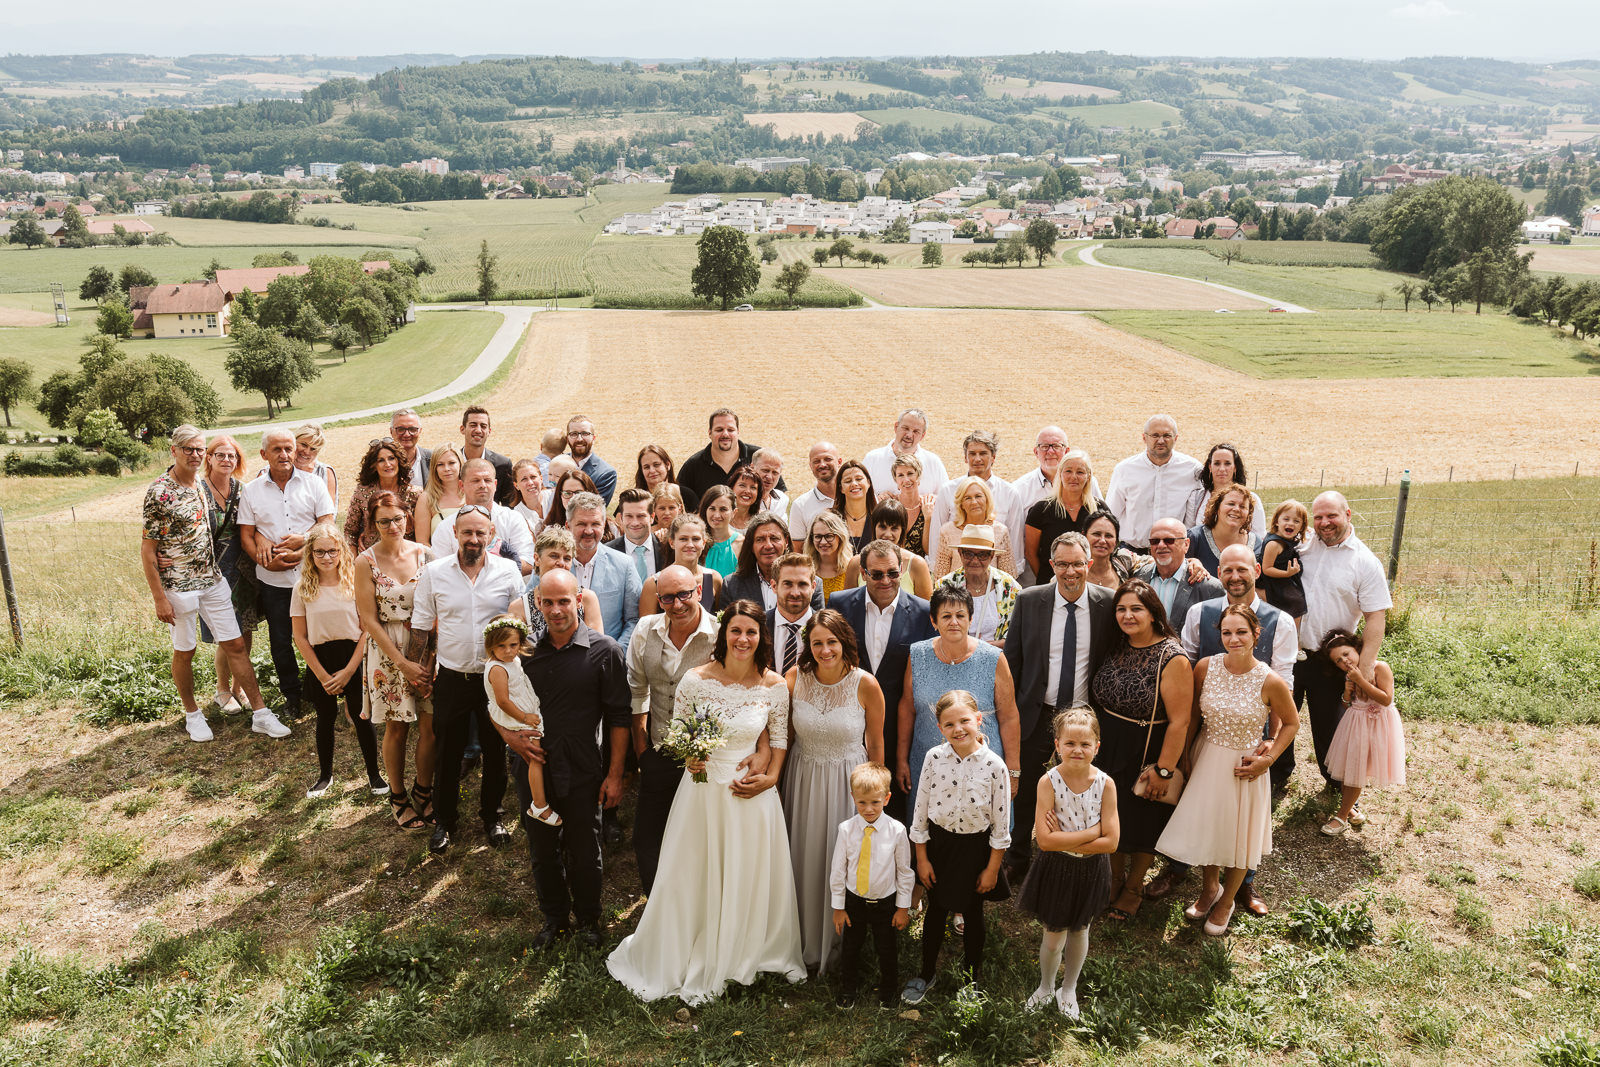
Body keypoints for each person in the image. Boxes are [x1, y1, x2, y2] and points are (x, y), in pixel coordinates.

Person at [608, 600, 805, 1001]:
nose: (743, 639)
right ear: (723, 634)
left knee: (747, 872)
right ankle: (689, 945)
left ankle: (748, 949)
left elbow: (780, 738)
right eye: (736, 630)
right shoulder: (696, 680)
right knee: (695, 872)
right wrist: (690, 755)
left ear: (760, 637)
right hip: (702, 792)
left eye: (751, 631)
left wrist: (770, 778)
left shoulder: (774, 685)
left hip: (752, 796)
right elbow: (679, 731)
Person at [1155, 605, 1298, 936]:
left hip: (1244, 765)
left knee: (1238, 835)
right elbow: (1190, 715)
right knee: (1210, 826)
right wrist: (1185, 756)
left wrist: (1270, 756)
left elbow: (1291, 723)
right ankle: (1209, 888)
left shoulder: (1270, 680)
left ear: (1256, 634)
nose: (1234, 639)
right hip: (1206, 755)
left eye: (1241, 632)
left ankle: (1227, 900)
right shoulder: (1205, 667)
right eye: (1227, 632)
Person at [510, 569, 630, 949]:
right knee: (542, 850)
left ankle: (590, 920)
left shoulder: (605, 650)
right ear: (539, 605)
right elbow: (497, 710)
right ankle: (555, 919)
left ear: (578, 600)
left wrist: (614, 776)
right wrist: (512, 740)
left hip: (583, 768)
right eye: (549, 602)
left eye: (565, 601)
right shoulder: (524, 654)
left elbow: (619, 719)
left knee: (584, 851)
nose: (557, 609)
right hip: (535, 770)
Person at [142, 425, 285, 742]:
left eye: (197, 449)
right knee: (186, 650)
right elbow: (148, 549)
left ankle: (261, 714)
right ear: (174, 451)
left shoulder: (199, 486)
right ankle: (193, 715)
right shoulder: (160, 491)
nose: (194, 455)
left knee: (235, 644)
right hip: (178, 585)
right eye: (188, 449)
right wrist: (159, 598)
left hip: (213, 579)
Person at [408, 506, 526, 854]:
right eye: (466, 533)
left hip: (495, 679)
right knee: (448, 751)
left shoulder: (507, 572)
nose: (473, 539)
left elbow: (518, 623)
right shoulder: (434, 573)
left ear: (491, 534)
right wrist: (420, 669)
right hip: (452, 677)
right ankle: (445, 822)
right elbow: (421, 624)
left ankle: (493, 816)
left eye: (480, 533)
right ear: (455, 534)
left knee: (494, 749)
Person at [1001, 532, 1116, 881]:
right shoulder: (1030, 600)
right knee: (1024, 791)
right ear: (1051, 565)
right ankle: (1017, 857)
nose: (1070, 571)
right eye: (1062, 564)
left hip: (1084, 719)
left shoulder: (1108, 604)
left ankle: (1079, 854)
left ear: (1089, 564)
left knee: (1084, 787)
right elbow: (1013, 662)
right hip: (1038, 713)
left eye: (1077, 563)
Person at [783, 609, 886, 972]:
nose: (825, 650)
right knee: (804, 855)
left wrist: (876, 796)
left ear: (845, 643)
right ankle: (799, 939)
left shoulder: (865, 684)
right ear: (807, 646)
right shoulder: (794, 678)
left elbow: (876, 744)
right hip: (803, 777)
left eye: (832, 642)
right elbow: (786, 735)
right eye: (817, 643)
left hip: (848, 782)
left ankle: (844, 946)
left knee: (841, 859)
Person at [1090, 579, 1193, 921]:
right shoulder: (1116, 644)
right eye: (1121, 609)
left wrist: (1164, 769)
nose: (1127, 615)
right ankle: (1113, 878)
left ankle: (1134, 886)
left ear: (1153, 614)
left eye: (1136, 609)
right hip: (1108, 746)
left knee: (1143, 821)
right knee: (1110, 817)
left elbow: (1180, 721)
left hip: (1147, 749)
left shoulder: (1172, 656)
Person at [902, 691, 1012, 1004]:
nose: (958, 729)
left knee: (973, 913)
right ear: (940, 728)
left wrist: (992, 868)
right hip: (940, 845)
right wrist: (921, 859)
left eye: (964, 720)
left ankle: (971, 979)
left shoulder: (995, 766)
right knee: (935, 911)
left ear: (978, 720)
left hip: (975, 849)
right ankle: (926, 972)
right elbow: (920, 812)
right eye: (949, 724)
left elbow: (1001, 824)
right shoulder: (933, 758)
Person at [1285, 491, 1392, 792]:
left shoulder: (1364, 562)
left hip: (1327, 661)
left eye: (1331, 515)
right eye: (1318, 517)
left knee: (1329, 724)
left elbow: (1375, 617)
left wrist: (1366, 665)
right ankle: (1277, 776)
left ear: (1347, 514)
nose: (1324, 523)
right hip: (1289, 653)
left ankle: (1335, 781)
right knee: (1280, 718)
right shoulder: (1301, 546)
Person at [627, 563, 721, 894]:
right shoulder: (645, 630)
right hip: (658, 751)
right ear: (658, 599)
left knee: (697, 839)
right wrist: (643, 752)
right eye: (667, 598)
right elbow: (638, 693)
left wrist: (708, 749)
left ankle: (695, 904)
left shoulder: (720, 634)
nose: (677, 605)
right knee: (647, 838)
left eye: (684, 594)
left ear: (698, 591)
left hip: (707, 758)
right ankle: (657, 903)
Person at [1019, 708, 1118, 1018]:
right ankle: (1046, 986)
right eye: (1070, 743)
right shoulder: (1048, 782)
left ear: (1097, 746)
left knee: (1080, 931)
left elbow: (1112, 843)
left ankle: (1069, 987)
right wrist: (1092, 832)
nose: (1078, 750)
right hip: (1057, 868)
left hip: (1091, 870)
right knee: (1053, 937)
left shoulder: (1106, 784)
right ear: (1057, 743)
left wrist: (1068, 836)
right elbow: (1046, 842)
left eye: (1085, 744)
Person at [831, 541, 936, 822]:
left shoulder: (925, 612)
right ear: (863, 573)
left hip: (898, 725)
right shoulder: (839, 604)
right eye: (877, 574)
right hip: (848, 722)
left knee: (894, 804)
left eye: (892, 572)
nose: (886, 580)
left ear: (902, 570)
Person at [239, 428, 335, 724]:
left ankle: (318, 691)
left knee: (319, 636)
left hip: (311, 575)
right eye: (277, 449)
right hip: (273, 581)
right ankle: (291, 696)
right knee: (281, 640)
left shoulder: (314, 483)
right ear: (263, 454)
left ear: (295, 452)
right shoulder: (252, 490)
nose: (284, 455)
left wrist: (304, 542)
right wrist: (262, 559)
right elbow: (245, 533)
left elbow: (327, 522)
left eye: (288, 449)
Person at [896, 586, 1021, 812]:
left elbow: (1009, 716)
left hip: (982, 768)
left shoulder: (994, 659)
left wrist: (1013, 771)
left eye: (960, 615)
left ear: (970, 620)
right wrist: (901, 759)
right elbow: (907, 708)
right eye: (946, 616)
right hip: (928, 768)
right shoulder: (917, 655)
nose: (954, 622)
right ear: (934, 621)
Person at [355, 491, 436, 832]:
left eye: (398, 518)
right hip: (388, 652)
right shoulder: (365, 562)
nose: (393, 526)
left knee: (431, 725)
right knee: (397, 725)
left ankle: (424, 789)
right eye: (384, 520)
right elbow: (368, 619)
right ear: (374, 524)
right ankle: (398, 797)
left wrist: (429, 659)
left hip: (426, 647)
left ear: (408, 517)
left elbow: (439, 608)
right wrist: (402, 663)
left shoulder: (426, 555)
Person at [292, 523, 383, 798]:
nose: (327, 557)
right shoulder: (302, 588)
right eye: (320, 552)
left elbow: (367, 627)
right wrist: (321, 675)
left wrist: (350, 670)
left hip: (353, 657)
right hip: (321, 660)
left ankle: (375, 775)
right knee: (325, 718)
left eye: (332, 550)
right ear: (311, 554)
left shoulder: (353, 582)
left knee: (361, 717)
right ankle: (325, 776)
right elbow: (300, 636)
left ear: (341, 551)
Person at [829, 762, 914, 1009]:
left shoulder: (897, 831)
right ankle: (847, 988)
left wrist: (902, 907)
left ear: (886, 799)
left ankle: (889, 990)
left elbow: (904, 872)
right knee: (850, 948)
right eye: (862, 802)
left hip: (885, 903)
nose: (868, 809)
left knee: (886, 949)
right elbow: (838, 870)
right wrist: (838, 906)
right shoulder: (846, 830)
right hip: (854, 901)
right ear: (853, 797)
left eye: (875, 802)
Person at [1319, 629, 1405, 836]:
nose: (1344, 661)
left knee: (1357, 769)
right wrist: (1347, 694)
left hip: (1376, 724)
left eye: (1346, 654)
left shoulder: (1379, 667)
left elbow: (1385, 699)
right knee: (1350, 766)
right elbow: (1348, 704)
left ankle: (1341, 816)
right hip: (1355, 723)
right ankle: (1350, 810)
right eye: (1338, 660)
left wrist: (1361, 680)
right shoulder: (1350, 676)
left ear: (1357, 648)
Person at [195, 434, 258, 715]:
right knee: (225, 634)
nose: (226, 460)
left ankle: (239, 687)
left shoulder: (242, 490)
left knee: (244, 630)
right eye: (220, 454)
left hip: (242, 571)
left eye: (231, 456)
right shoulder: (197, 490)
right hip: (211, 572)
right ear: (209, 458)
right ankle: (222, 689)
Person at [482, 615, 561, 827]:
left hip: (523, 709)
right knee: (535, 758)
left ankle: (540, 796)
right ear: (490, 645)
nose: (508, 650)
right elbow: (503, 701)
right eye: (501, 645)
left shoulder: (511, 660)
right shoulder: (497, 668)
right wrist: (525, 717)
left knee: (534, 757)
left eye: (513, 645)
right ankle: (539, 804)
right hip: (514, 715)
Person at [1011, 427, 1102, 583]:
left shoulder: (1091, 487)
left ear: (1066, 450)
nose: (1050, 451)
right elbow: (1027, 547)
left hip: (1089, 579)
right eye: (1044, 446)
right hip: (1045, 579)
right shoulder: (1020, 489)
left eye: (1056, 446)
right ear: (1035, 451)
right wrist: (1049, 579)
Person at [1105, 415, 1201, 552]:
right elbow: (1111, 515)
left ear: (1176, 438)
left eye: (1167, 435)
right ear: (1144, 437)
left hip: (1174, 553)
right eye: (1155, 435)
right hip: (1133, 552)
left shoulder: (1192, 470)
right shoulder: (1124, 470)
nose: (1161, 440)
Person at [928, 431, 1022, 569]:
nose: (977, 459)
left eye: (983, 453)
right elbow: (937, 535)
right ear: (965, 458)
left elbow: (1015, 541)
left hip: (994, 578)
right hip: (954, 575)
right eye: (972, 454)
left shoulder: (1010, 493)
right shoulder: (948, 490)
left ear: (993, 457)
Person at [431, 459, 535, 575]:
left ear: (495, 485)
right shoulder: (446, 527)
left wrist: (488, 577)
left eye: (487, 480)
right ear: (461, 485)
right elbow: (438, 568)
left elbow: (529, 562)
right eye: (475, 480)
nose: (482, 485)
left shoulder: (513, 519)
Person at [934, 525, 1022, 647]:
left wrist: (990, 647)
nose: (975, 561)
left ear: (992, 556)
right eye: (969, 554)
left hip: (998, 658)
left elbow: (1019, 634)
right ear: (960, 553)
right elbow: (936, 629)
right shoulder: (945, 586)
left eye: (982, 555)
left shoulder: (1010, 586)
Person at [721, 511, 824, 612]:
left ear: (786, 542)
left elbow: (816, 625)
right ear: (751, 546)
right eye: (760, 539)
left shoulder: (810, 583)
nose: (768, 546)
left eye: (774, 538)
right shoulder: (732, 585)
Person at [677, 408, 786, 502]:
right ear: (709, 432)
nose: (725, 434)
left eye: (730, 430)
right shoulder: (693, 465)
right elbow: (678, 499)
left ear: (738, 431)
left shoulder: (759, 456)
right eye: (719, 430)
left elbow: (779, 495)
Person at [519, 527, 606, 645]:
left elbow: (597, 647)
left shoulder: (587, 598)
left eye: (567, 558)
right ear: (537, 559)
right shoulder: (519, 606)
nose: (561, 563)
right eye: (554, 556)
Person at [1134, 519, 1224, 627]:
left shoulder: (1210, 588)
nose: (1161, 545)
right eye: (1155, 541)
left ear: (1186, 544)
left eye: (1169, 540)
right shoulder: (1137, 578)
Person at [841, 500, 934, 599]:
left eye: (894, 528)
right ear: (874, 527)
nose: (888, 534)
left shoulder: (917, 564)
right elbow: (848, 606)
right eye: (882, 527)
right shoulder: (855, 564)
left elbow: (926, 609)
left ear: (902, 530)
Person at [934, 476, 1018, 579]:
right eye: (968, 498)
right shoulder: (947, 532)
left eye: (978, 496)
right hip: (956, 592)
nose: (974, 502)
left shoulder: (1000, 531)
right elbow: (940, 576)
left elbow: (1009, 576)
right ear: (961, 504)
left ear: (987, 500)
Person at [344, 438, 419, 552]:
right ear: (374, 465)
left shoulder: (415, 494)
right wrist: (355, 563)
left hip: (406, 557)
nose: (387, 464)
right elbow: (350, 533)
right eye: (381, 460)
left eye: (391, 458)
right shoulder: (362, 492)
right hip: (371, 559)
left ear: (399, 461)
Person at [640, 514, 721, 615]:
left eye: (696, 539)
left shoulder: (714, 579)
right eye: (683, 539)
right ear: (672, 542)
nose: (690, 545)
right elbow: (645, 627)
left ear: (704, 543)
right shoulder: (653, 583)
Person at [1181, 443, 1266, 537]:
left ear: (1235, 468)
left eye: (1227, 463)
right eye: (1217, 463)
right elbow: (1188, 534)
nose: (1222, 469)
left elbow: (1259, 537)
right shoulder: (1195, 498)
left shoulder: (1251, 499)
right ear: (1210, 467)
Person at [863, 408, 948, 497]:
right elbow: (858, 496)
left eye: (916, 431)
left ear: (922, 436)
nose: (909, 435)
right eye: (905, 428)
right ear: (896, 427)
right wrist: (876, 499)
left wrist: (929, 500)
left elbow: (947, 498)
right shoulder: (872, 459)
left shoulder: (933, 462)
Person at [1187, 485, 1260, 577]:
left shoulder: (1256, 544)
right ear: (1217, 508)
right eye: (1231, 504)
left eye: (1242, 506)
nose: (1236, 509)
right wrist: (1190, 562)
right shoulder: (1194, 538)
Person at [767, 553, 819, 678]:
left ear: (813, 587)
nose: (795, 593)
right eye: (788, 584)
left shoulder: (829, 629)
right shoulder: (758, 625)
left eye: (802, 584)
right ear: (774, 586)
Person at [1258, 499, 1309, 620]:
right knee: (1295, 602)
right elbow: (1267, 569)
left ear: (1302, 527)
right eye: (1286, 519)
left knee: (1297, 599)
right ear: (1276, 521)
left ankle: (1293, 632)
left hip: (1280, 577)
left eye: (1296, 521)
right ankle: (1293, 633)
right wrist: (1287, 574)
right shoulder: (1274, 544)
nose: (1291, 523)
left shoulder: (1287, 538)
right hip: (1269, 580)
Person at [607, 487, 671, 581]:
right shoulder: (608, 553)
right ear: (621, 518)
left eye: (641, 516)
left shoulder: (667, 549)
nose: (635, 523)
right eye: (629, 516)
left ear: (652, 517)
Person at [789, 441, 841, 552]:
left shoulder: (855, 498)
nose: (822, 465)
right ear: (811, 466)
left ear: (839, 461)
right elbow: (798, 550)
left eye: (828, 459)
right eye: (816, 461)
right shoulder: (800, 505)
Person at [459, 405, 514, 505]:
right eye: (473, 425)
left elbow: (508, 505)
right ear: (462, 429)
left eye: (483, 426)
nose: (478, 430)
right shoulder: (451, 463)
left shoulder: (503, 465)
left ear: (489, 431)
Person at [887, 453, 936, 559]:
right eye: (900, 475)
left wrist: (928, 518)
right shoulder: (890, 507)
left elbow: (928, 550)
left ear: (918, 476)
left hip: (920, 569)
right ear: (896, 480)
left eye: (910, 473)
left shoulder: (928, 505)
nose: (906, 480)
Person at [565, 414, 616, 505]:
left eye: (585, 433)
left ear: (593, 438)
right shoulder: (556, 464)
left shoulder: (606, 474)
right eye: (574, 434)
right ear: (567, 439)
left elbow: (594, 509)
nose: (579, 439)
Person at [805, 510, 855, 604]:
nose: (823, 542)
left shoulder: (852, 567)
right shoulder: (805, 569)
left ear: (840, 537)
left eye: (829, 536)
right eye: (818, 536)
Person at [634, 443, 700, 513]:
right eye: (646, 467)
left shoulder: (686, 495)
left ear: (668, 465)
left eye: (656, 465)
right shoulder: (633, 499)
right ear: (641, 470)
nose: (652, 471)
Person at [545, 467, 610, 535]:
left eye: (579, 493)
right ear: (560, 496)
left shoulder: (611, 528)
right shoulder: (550, 532)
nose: (573, 498)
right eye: (567, 493)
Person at [418, 444, 464, 541]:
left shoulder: (472, 493)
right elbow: (422, 542)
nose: (446, 468)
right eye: (440, 464)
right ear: (435, 469)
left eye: (451, 463)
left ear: (460, 464)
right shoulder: (426, 498)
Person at [830, 460, 877, 552]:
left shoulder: (880, 518)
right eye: (848, 481)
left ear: (868, 483)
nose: (854, 484)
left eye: (859, 479)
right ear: (841, 488)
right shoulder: (831, 519)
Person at [1085, 511, 1139, 591]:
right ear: (1084, 536)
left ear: (1116, 542)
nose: (1102, 540)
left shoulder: (1122, 560)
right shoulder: (1073, 568)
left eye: (1108, 536)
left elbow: (1150, 561)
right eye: (1096, 534)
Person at [698, 485, 742, 578]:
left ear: (734, 512)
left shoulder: (742, 544)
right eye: (712, 509)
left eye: (723, 509)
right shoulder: (695, 540)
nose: (717, 515)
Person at [292, 423, 338, 507]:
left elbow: (330, 511)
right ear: (293, 442)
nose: (307, 452)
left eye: (313, 449)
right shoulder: (273, 470)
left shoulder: (325, 472)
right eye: (304, 445)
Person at [389, 408, 430, 490]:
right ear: (391, 431)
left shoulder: (433, 460)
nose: (407, 434)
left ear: (420, 431)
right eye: (400, 429)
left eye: (412, 429)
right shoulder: (380, 462)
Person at [511, 459, 548, 536]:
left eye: (533, 477)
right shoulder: (517, 515)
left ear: (541, 479)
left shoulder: (554, 497)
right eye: (524, 479)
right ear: (516, 485)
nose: (530, 483)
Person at [750, 447, 790, 517]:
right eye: (765, 470)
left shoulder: (782, 500)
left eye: (775, 472)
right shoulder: (742, 499)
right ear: (752, 468)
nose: (769, 477)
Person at [729, 463, 765, 535]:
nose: (747, 491)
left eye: (753, 487)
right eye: (742, 485)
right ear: (731, 488)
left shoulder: (763, 519)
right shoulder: (720, 516)